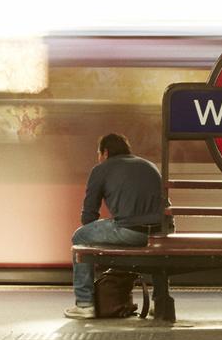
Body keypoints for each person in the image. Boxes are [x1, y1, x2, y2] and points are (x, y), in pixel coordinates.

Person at [65, 133, 164, 319]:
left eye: (99, 153)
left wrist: (104, 232)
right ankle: (159, 301)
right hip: (161, 233)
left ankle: (84, 304)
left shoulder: (101, 169)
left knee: (80, 237)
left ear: (105, 152)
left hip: (129, 231)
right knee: (159, 250)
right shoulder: (149, 165)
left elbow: (89, 216)